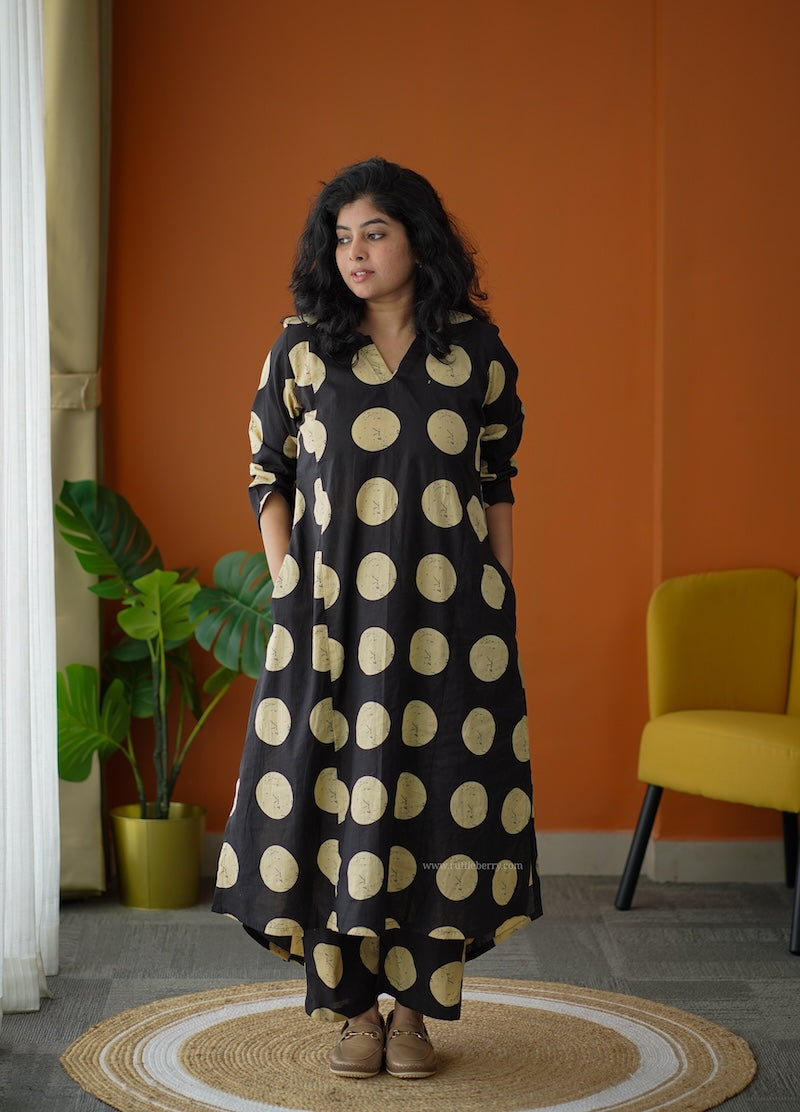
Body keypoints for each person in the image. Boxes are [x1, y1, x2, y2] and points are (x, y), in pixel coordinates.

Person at [212, 156, 542, 1080]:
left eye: (375, 234)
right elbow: (268, 472)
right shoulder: (302, 349)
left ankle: (417, 1016)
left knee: (438, 804)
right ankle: (355, 1011)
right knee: (333, 802)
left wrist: (499, 592)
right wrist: (287, 581)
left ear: (417, 240)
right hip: (329, 623)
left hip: (450, 623)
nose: (355, 253)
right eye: (342, 238)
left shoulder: (477, 351)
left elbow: (497, 479)